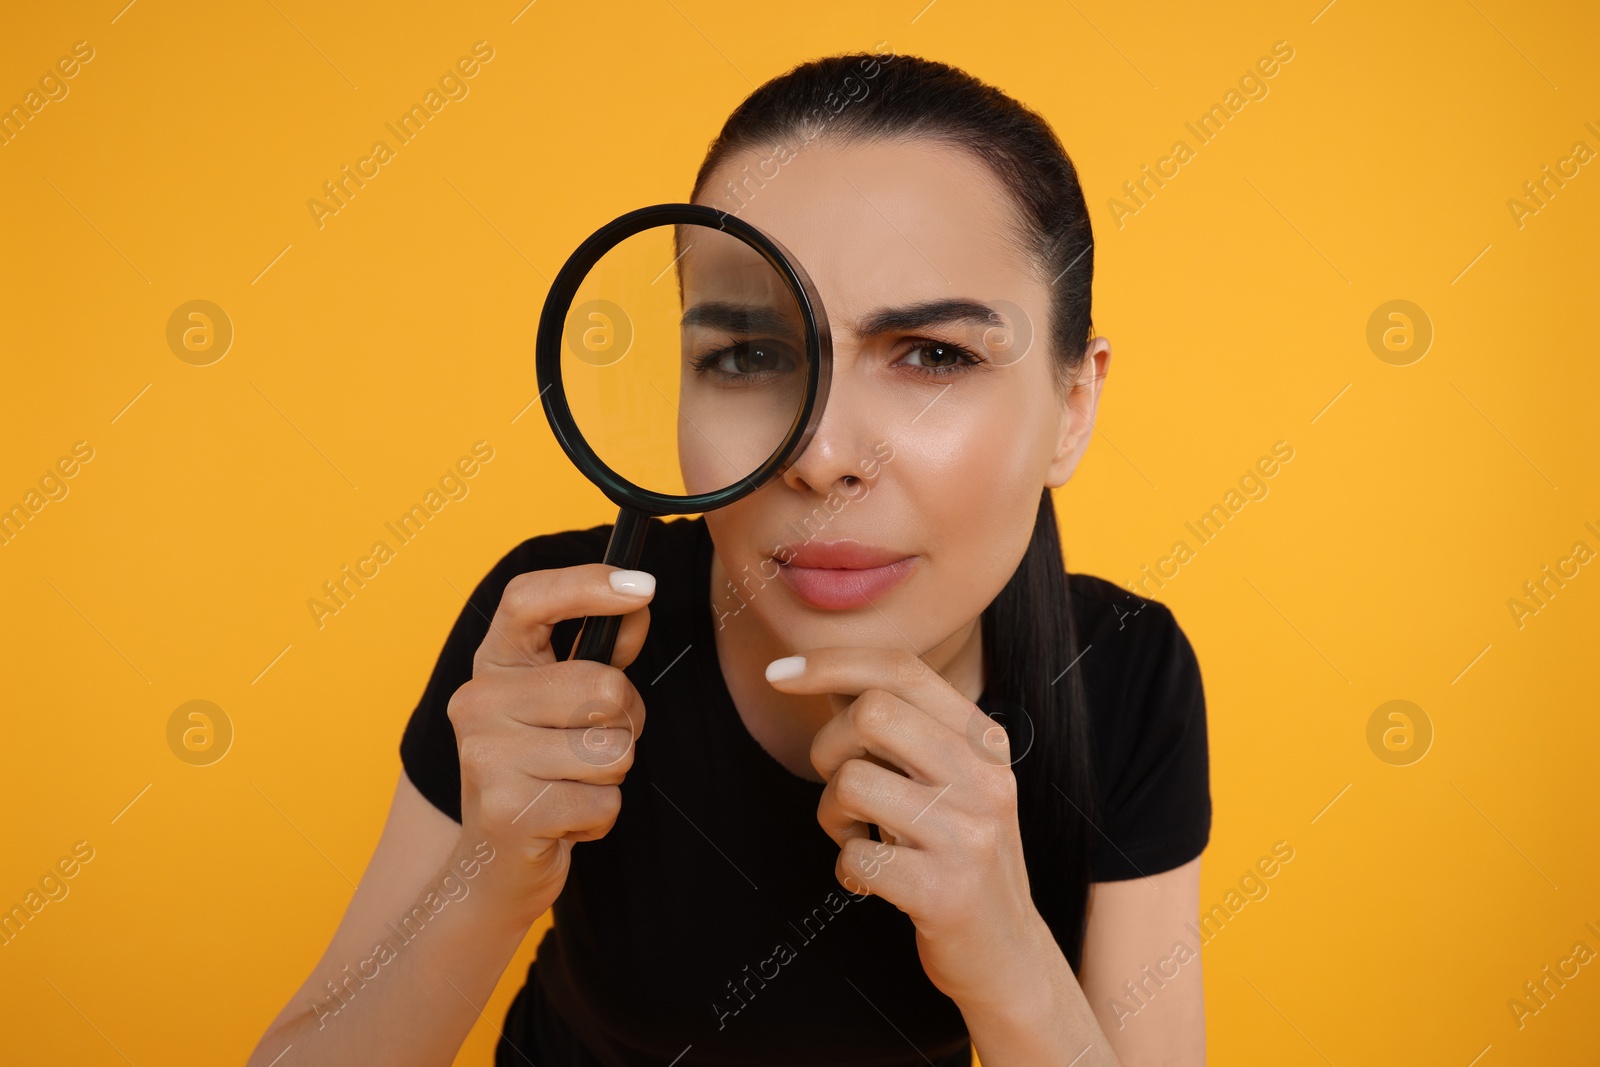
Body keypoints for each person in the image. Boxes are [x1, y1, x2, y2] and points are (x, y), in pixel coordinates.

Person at [248, 50, 1211, 1067]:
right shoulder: (564, 636)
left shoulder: (1121, 672)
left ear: (1071, 407)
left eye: (935, 354)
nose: (822, 456)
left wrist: (1010, 959)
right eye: (748, 355)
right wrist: (486, 879)